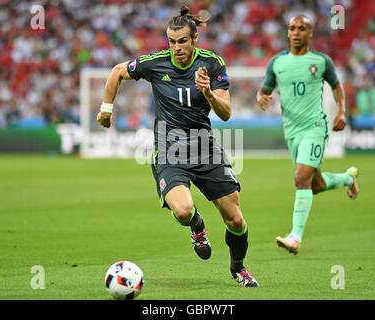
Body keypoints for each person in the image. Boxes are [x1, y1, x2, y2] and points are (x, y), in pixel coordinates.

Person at [97, 6, 259, 287]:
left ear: (194, 39)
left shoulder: (212, 64)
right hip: (169, 150)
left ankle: (238, 269)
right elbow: (117, 71)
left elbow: (226, 113)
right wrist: (106, 109)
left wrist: (208, 92)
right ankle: (197, 227)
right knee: (183, 211)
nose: (176, 47)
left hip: (205, 148)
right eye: (171, 42)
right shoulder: (155, 63)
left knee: (235, 220)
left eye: (182, 41)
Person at [256, 15, 360, 254]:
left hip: (315, 127)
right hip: (291, 131)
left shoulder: (321, 61)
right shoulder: (276, 63)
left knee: (300, 178)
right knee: (315, 185)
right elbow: (264, 90)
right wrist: (261, 97)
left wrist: (341, 111)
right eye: (292, 28)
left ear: (310, 33)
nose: (295, 32)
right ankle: (348, 179)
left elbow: (336, 86)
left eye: (301, 28)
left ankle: (295, 237)